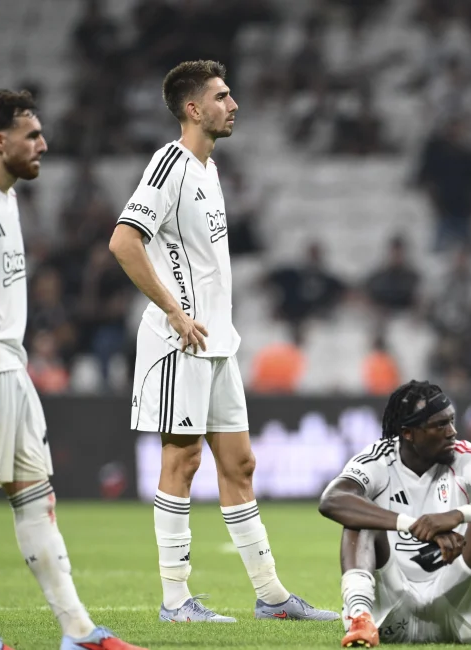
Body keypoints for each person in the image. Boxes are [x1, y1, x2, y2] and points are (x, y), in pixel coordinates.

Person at [0, 89, 145, 650]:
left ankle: (79, 632)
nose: (44, 144)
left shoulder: (8, 199)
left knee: (38, 497)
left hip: (8, 367)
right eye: (32, 135)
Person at [108, 60, 339, 624]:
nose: (233, 105)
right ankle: (174, 601)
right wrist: (173, 311)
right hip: (178, 343)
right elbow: (123, 241)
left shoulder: (208, 171)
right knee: (182, 461)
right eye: (222, 96)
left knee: (240, 464)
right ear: (193, 108)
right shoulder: (170, 164)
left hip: (217, 343)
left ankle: (272, 597)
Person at [319, 380, 471, 648]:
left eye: (452, 421)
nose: (452, 432)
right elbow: (333, 500)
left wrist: (458, 515)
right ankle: (360, 618)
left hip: (460, 610)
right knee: (358, 517)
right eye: (440, 425)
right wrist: (411, 525)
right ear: (408, 433)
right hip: (389, 614)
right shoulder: (378, 459)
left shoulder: (465, 456)